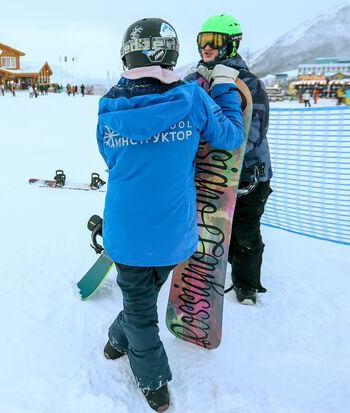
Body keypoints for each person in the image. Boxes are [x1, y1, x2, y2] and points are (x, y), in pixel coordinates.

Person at [97, 17, 244, 411]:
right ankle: (152, 381)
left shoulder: (108, 104)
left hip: (125, 230)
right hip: (173, 233)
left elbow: (110, 156)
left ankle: (123, 350)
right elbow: (231, 135)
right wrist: (226, 87)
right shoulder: (191, 99)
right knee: (142, 305)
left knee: (138, 302)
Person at [184, 14, 273, 305]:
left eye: (215, 41)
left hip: (248, 175)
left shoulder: (250, 84)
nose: (206, 48)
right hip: (207, 174)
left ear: (232, 45)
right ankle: (200, 276)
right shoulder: (191, 81)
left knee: (244, 233)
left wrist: (207, 143)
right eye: (202, 41)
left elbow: (254, 134)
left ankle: (246, 286)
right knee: (208, 228)